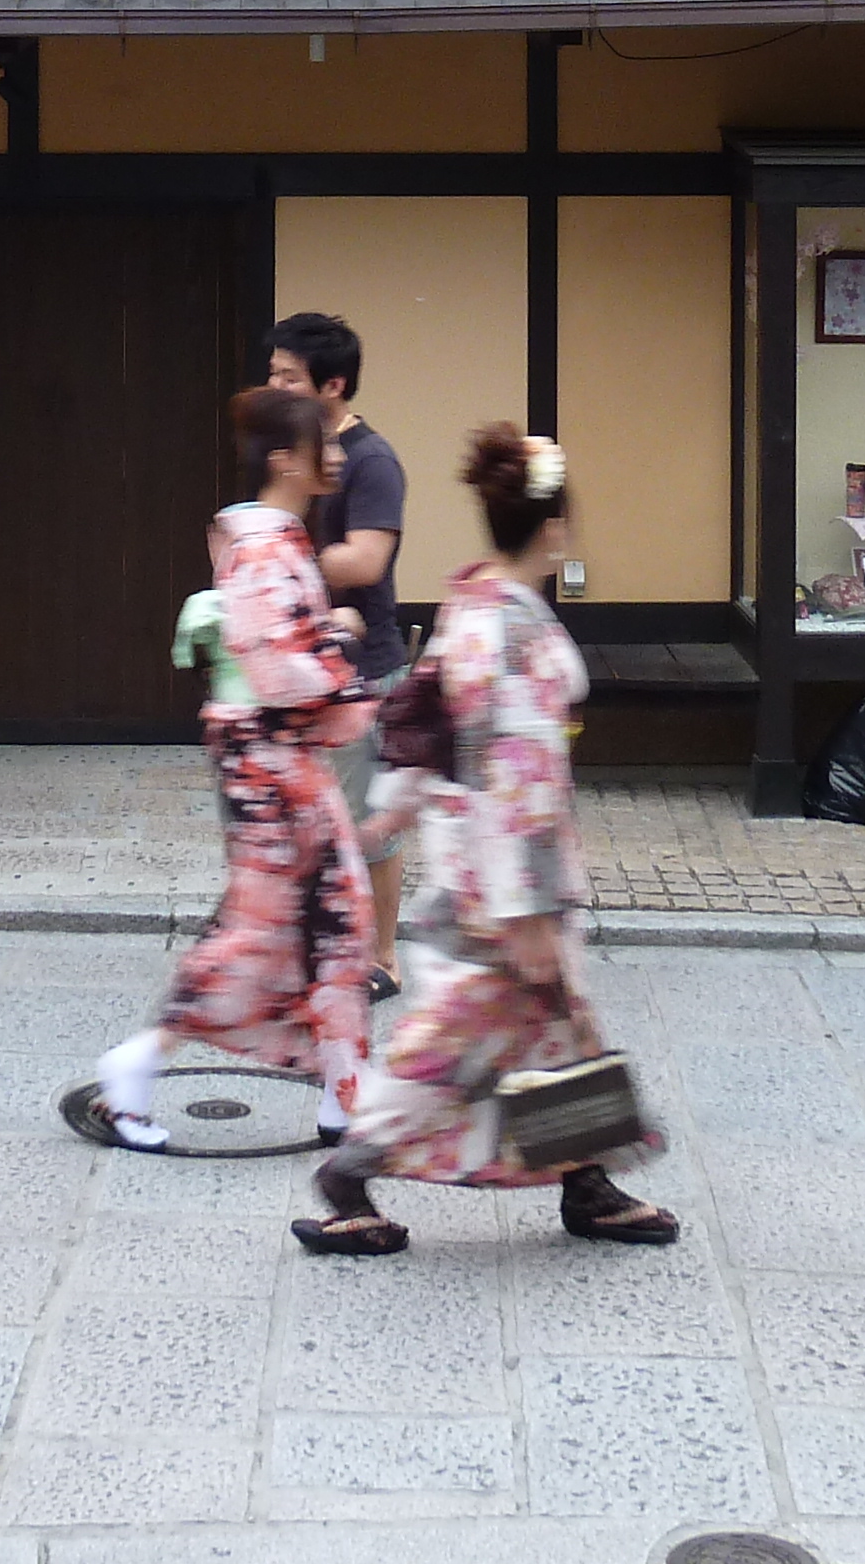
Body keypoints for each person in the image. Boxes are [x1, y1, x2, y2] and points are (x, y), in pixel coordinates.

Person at [296, 424, 675, 1258]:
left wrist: (397, 804)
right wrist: (528, 908)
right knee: (454, 1049)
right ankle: (349, 1176)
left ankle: (588, 1181)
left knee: (556, 1034)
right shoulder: (519, 637)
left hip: (475, 859)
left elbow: (423, 713)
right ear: (553, 529)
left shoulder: (472, 603)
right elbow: (523, 782)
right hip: (503, 883)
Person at [67, 383, 374, 1151]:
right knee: (263, 931)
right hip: (270, 764)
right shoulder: (270, 547)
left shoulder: (269, 542)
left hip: (278, 759)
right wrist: (339, 646)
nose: (335, 455)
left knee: (337, 917)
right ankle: (138, 1064)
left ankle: (346, 1093)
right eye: (322, 446)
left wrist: (326, 638)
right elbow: (282, 670)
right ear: (285, 461)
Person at [265, 311, 409, 992]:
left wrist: (285, 562)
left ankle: (383, 957)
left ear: (334, 384)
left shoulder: (371, 460)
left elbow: (366, 559)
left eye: (289, 376)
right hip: (303, 662)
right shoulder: (293, 450)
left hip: (363, 668)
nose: (276, 386)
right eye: (273, 374)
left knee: (365, 821)